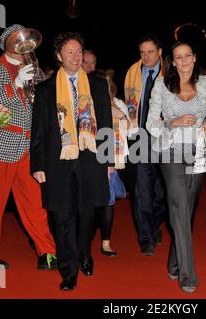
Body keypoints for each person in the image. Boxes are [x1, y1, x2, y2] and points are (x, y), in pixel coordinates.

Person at [30, 32, 112, 290]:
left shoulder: (98, 85)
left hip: (91, 159)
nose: (76, 57)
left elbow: (107, 125)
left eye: (79, 52)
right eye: (70, 52)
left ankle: (84, 252)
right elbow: (39, 129)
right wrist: (38, 165)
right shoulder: (45, 89)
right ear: (58, 56)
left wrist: (108, 159)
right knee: (62, 215)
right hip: (58, 161)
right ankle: (69, 270)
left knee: (87, 214)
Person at [0, 24, 56, 270]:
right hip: (0, 145)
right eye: (19, 43)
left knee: (36, 205)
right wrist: (17, 84)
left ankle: (47, 252)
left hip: (29, 147)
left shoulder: (34, 69)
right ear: (6, 45)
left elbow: (46, 102)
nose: (25, 47)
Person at [146, 41, 206, 293]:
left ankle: (174, 261)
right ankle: (188, 275)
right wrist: (172, 122)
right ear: (173, 61)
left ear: (194, 57)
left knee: (187, 210)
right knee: (178, 204)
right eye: (179, 57)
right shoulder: (162, 84)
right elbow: (150, 124)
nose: (184, 61)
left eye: (188, 56)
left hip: (198, 151)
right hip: (171, 151)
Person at [124, 34, 168, 256]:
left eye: (150, 52)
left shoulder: (170, 73)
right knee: (141, 190)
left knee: (163, 193)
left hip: (165, 139)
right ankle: (146, 239)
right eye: (142, 52)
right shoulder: (133, 72)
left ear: (160, 52)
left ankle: (154, 222)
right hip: (139, 136)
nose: (146, 56)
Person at [96, 75, 129, 257]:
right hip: (90, 156)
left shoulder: (117, 104)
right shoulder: (88, 104)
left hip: (112, 156)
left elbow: (129, 128)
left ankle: (106, 242)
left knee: (108, 200)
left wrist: (121, 115)